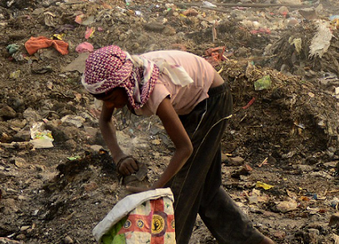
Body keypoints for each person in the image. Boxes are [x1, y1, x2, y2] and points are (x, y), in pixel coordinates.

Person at [82, 45, 274, 244]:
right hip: (190, 104)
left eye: (112, 99)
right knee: (205, 188)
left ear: (125, 84)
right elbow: (105, 121)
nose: (110, 105)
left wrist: (153, 192)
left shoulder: (154, 90)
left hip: (211, 100)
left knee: (180, 187)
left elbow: (185, 148)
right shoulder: (117, 84)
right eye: (104, 101)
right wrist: (119, 156)